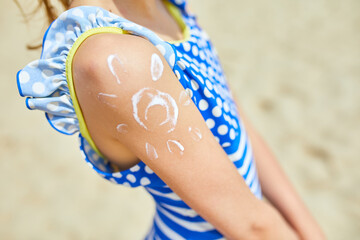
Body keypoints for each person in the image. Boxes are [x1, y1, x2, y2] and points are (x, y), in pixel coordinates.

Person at [16, 0, 326, 239]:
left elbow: (238, 124)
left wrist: (310, 230)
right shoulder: (113, 62)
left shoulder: (162, 7)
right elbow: (253, 227)